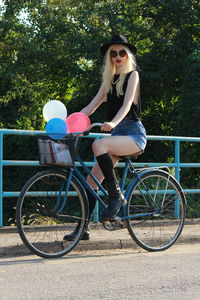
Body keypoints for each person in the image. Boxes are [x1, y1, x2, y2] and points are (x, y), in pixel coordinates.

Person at [64, 34, 147, 241]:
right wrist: (68, 124)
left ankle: (115, 195)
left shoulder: (133, 76)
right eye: (113, 53)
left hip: (133, 134)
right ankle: (82, 229)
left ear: (127, 55)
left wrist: (114, 123)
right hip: (117, 137)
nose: (117, 56)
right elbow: (90, 108)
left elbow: (127, 105)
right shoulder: (109, 81)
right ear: (109, 56)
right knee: (90, 182)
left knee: (98, 144)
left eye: (121, 52)